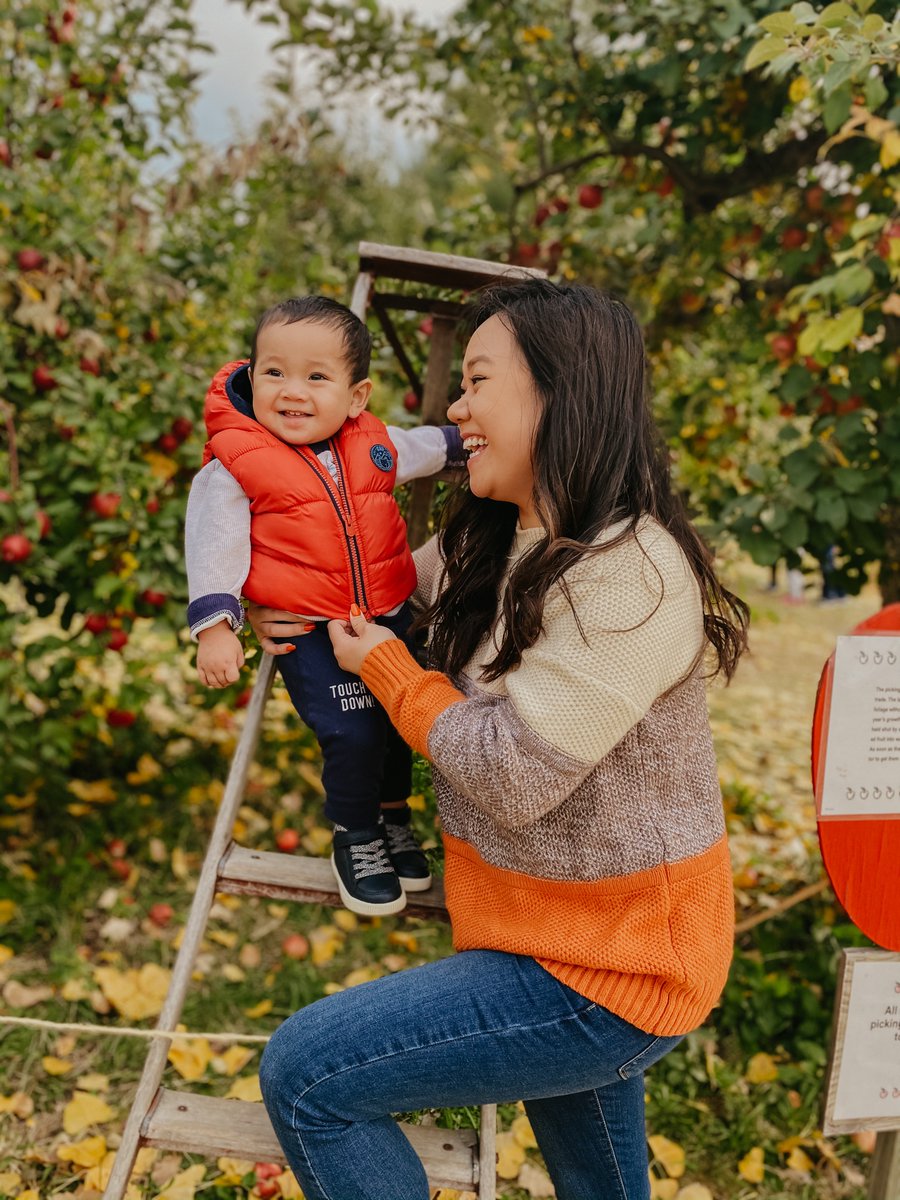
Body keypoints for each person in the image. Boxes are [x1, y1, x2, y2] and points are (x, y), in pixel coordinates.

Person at [250, 280, 750, 1200]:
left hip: (611, 966)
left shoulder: (630, 575)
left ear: (558, 396)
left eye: (478, 382)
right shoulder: (496, 539)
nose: (456, 408)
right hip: (549, 935)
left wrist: (396, 676)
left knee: (308, 1077)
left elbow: (514, 773)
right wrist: (274, 597)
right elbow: (369, 595)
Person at [184, 296, 465, 917]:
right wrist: (217, 623)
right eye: (275, 372)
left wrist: (469, 439)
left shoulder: (371, 443)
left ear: (356, 396)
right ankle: (356, 833)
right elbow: (214, 542)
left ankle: (393, 818)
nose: (292, 391)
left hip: (386, 614)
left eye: (316, 377)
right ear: (252, 376)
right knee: (352, 730)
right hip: (308, 627)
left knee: (399, 721)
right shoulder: (237, 461)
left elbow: (423, 448)